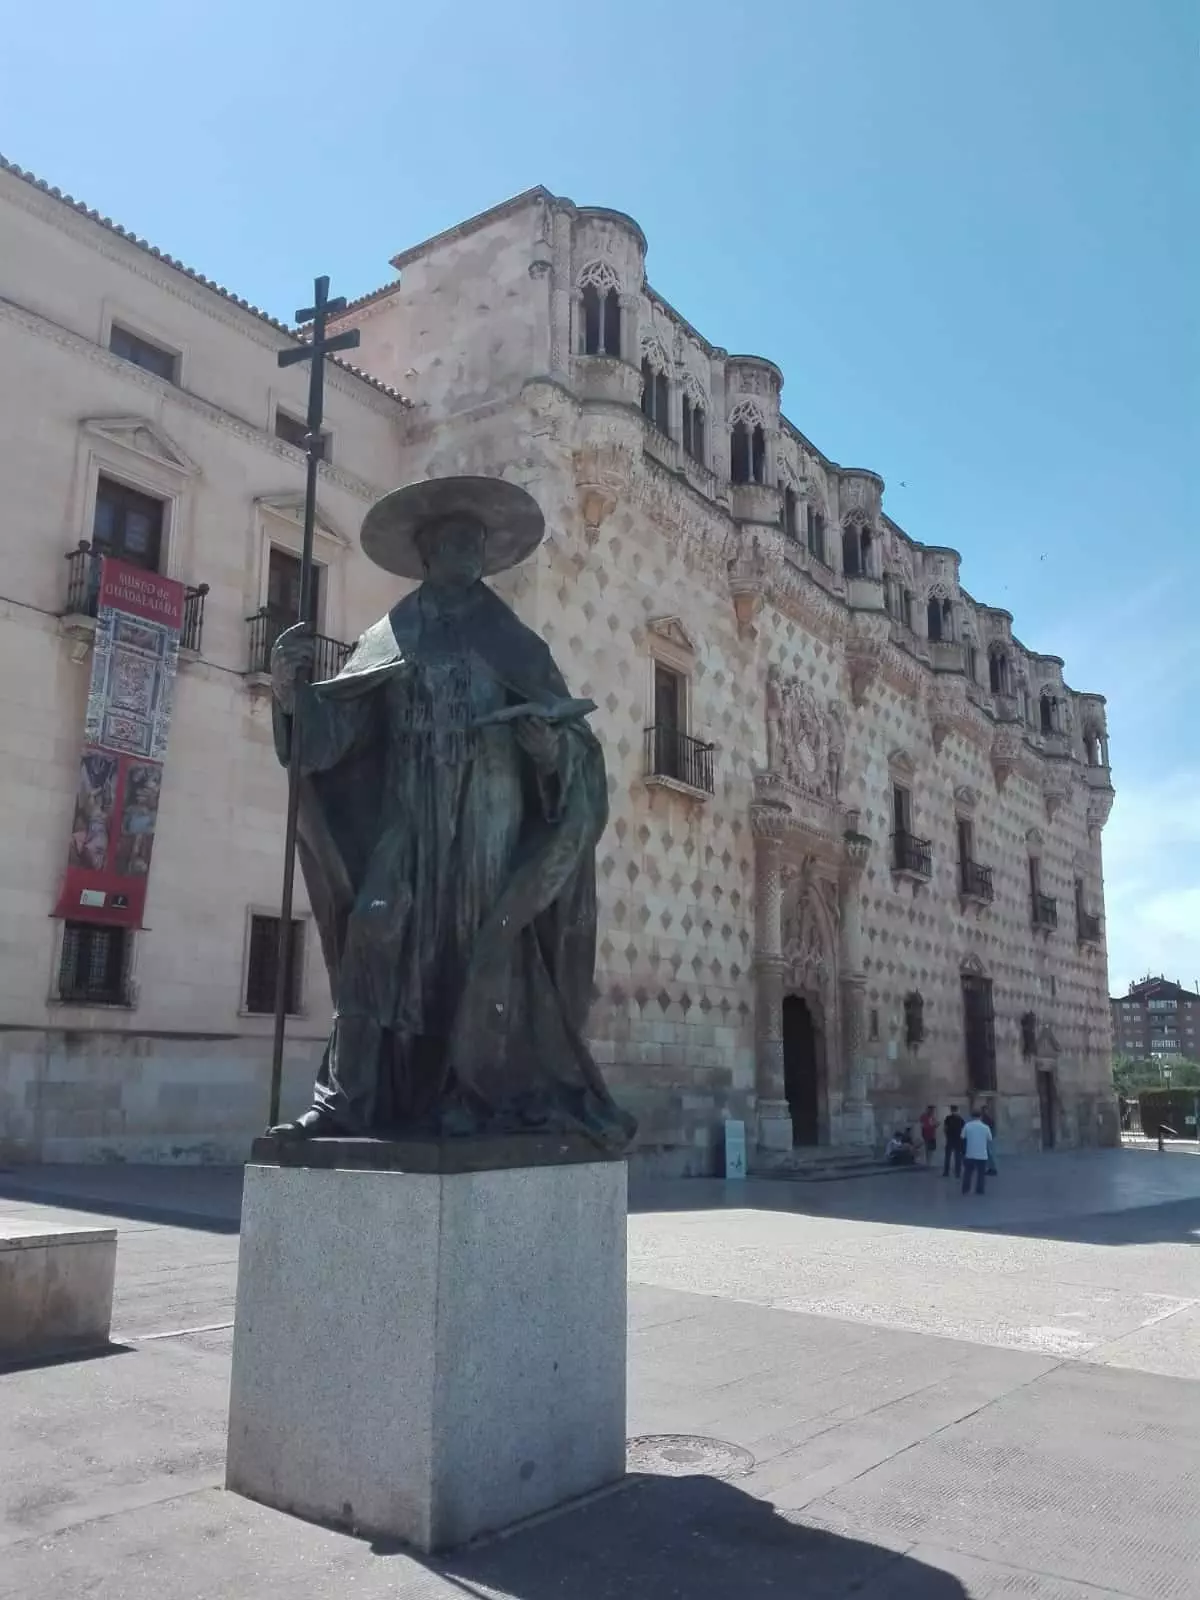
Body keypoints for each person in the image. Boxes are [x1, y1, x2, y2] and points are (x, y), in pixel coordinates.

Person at [266, 475, 636, 1152]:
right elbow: (336, 736)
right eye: (450, 544)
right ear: (427, 554)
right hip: (409, 816)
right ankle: (346, 1101)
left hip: (486, 821)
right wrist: (294, 696)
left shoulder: (517, 644)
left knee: (474, 951)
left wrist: (548, 750)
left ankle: (473, 1094)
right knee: (373, 935)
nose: (464, 553)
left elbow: (571, 752)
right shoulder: (389, 635)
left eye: (474, 544)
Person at [961, 1108, 992, 1195]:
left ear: (972, 1117)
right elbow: (990, 1138)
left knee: (968, 1172)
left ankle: (966, 1189)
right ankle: (980, 1190)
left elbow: (962, 1137)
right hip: (982, 1154)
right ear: (981, 1117)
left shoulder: (967, 1126)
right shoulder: (985, 1127)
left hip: (970, 1153)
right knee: (981, 1174)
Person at [942, 1104, 964, 1178]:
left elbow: (945, 1128)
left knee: (948, 1156)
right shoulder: (960, 1119)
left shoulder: (948, 1118)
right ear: (957, 1110)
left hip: (950, 1139)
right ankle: (958, 1173)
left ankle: (946, 1172)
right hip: (958, 1140)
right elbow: (963, 1130)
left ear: (951, 1110)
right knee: (958, 1157)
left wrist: (947, 1136)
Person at [981, 1104, 998, 1176]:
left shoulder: (986, 1118)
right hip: (989, 1138)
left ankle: (992, 1169)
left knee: (989, 1154)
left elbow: (988, 1129)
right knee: (989, 1154)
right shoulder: (988, 1118)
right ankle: (991, 1168)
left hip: (988, 1138)